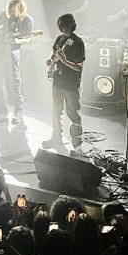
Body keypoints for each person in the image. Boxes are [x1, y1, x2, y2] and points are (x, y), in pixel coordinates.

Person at [0, 0, 35, 124]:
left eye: (14, 10)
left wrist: (16, 39)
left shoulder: (27, 20)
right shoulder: (4, 15)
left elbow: (29, 38)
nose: (12, 13)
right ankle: (1, 106)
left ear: (21, 9)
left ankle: (18, 110)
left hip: (13, 52)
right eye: (10, 10)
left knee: (14, 82)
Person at [43, 12, 85, 154]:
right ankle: (56, 138)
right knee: (56, 111)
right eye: (60, 26)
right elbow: (54, 53)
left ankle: (77, 145)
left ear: (71, 26)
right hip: (57, 81)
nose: (61, 29)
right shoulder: (59, 39)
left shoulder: (78, 43)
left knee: (73, 113)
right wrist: (51, 60)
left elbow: (79, 68)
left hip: (71, 84)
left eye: (64, 26)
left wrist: (64, 61)